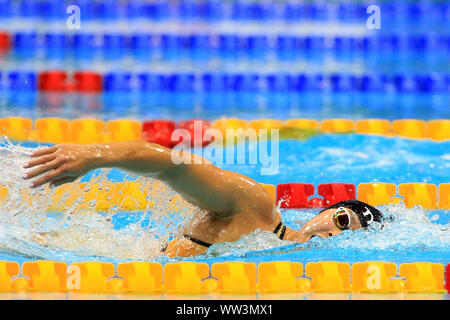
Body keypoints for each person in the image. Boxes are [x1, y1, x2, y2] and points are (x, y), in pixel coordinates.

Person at [23, 141, 383, 257]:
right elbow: (176, 166)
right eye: (340, 221)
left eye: (347, 236)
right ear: (323, 212)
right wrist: (95, 156)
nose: (335, 235)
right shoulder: (257, 207)